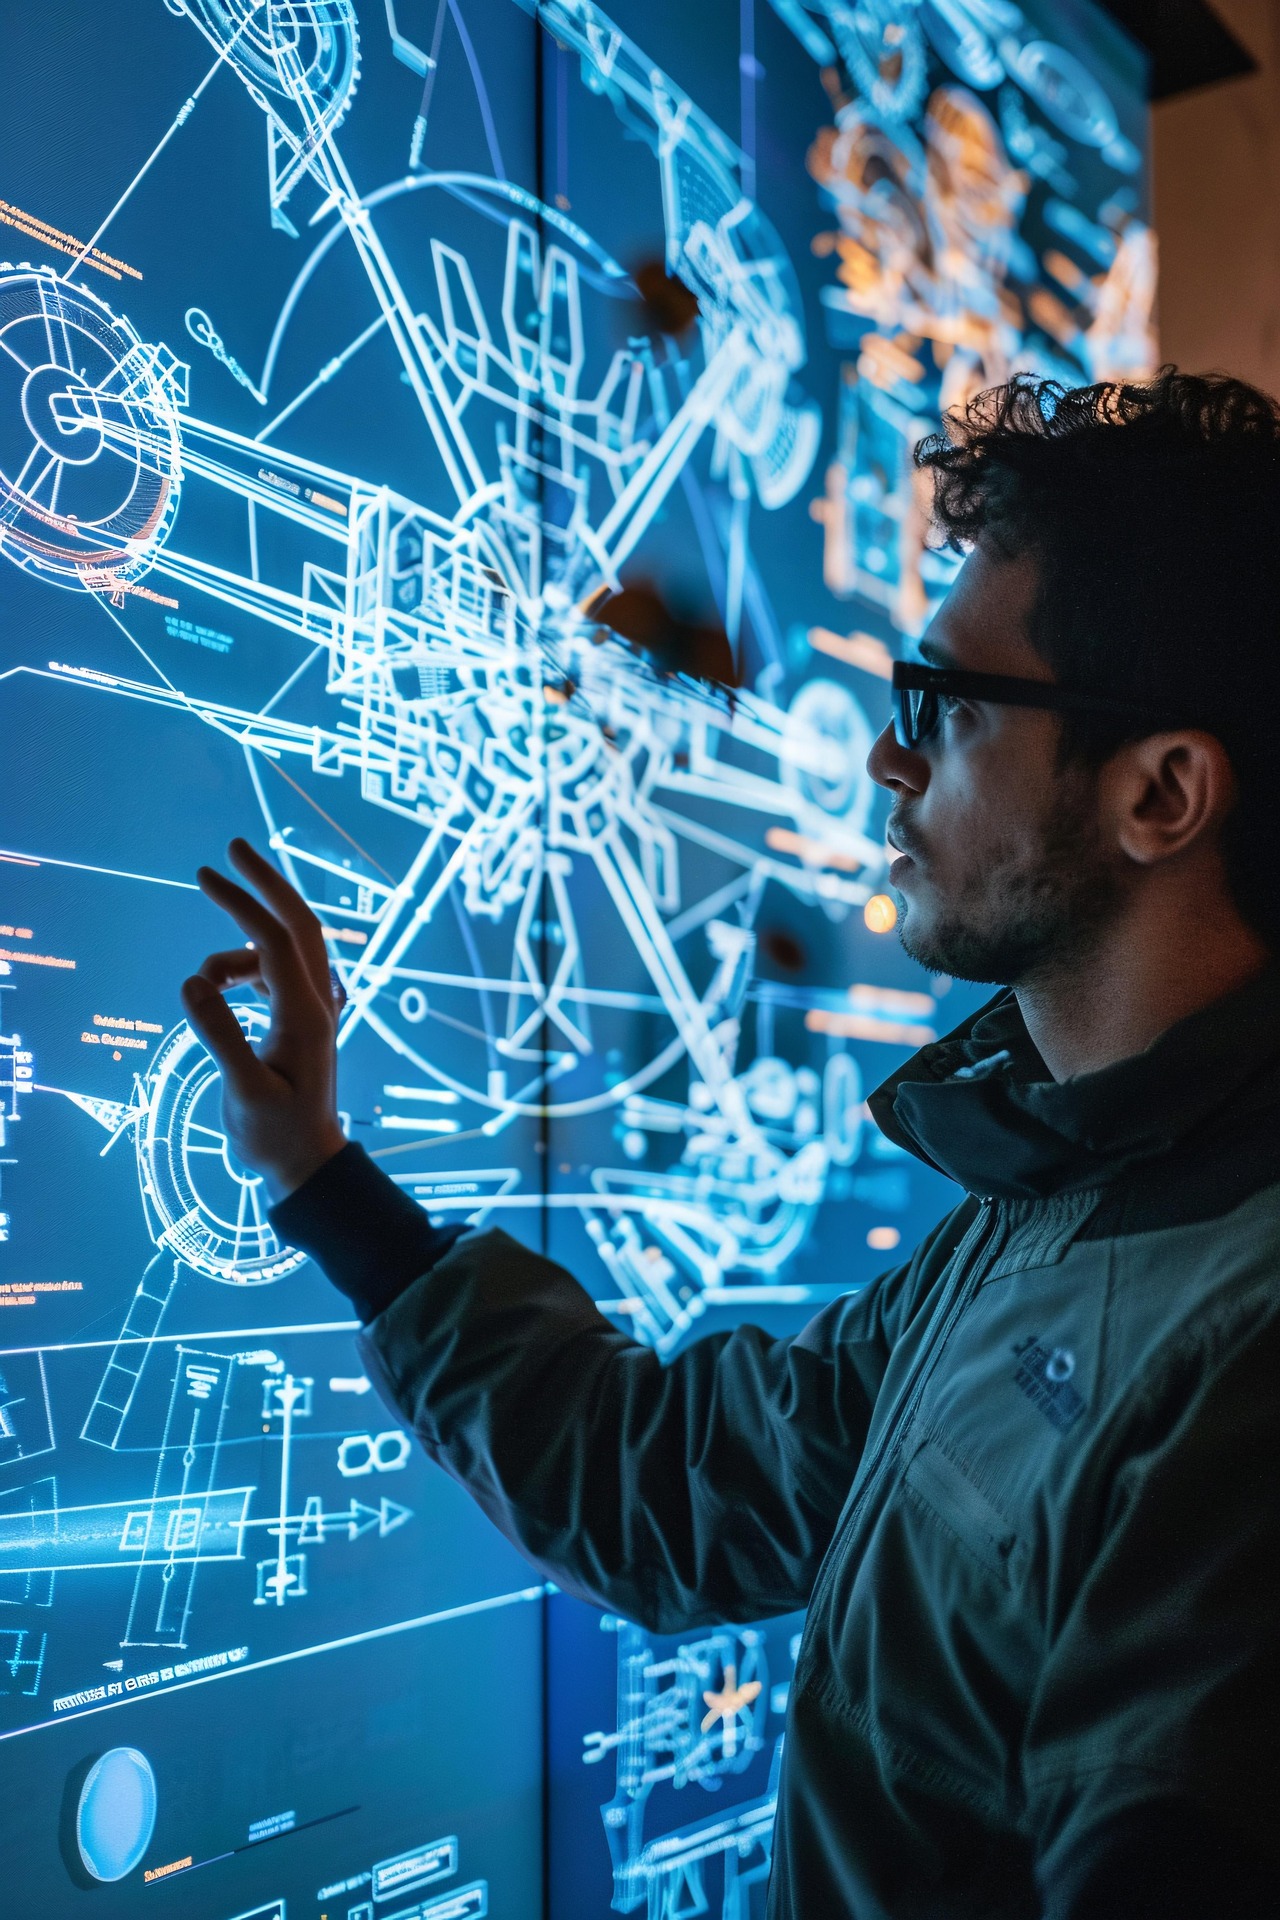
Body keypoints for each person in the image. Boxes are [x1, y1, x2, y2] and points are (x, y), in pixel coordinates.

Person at [181, 370, 1279, 1919]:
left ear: (1160, 794)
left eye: (954, 710)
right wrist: (323, 1176)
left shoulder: (1235, 1344)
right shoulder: (1049, 1218)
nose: (892, 763)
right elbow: (680, 1478)